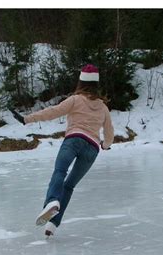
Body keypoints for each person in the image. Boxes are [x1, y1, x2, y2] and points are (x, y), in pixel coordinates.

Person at [13, 64, 114, 237]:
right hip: (92, 149)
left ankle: (52, 202)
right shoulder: (103, 107)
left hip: (74, 140)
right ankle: (53, 224)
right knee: (69, 186)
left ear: (80, 81)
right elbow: (109, 131)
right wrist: (105, 145)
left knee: (60, 171)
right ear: (96, 84)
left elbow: (53, 112)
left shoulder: (75, 100)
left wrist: (27, 119)